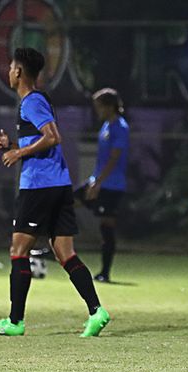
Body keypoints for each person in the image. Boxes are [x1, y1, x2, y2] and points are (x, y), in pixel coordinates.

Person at [0, 47, 110, 337]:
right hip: (58, 184)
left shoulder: (31, 102)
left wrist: (18, 152)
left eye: (12, 67)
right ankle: (96, 311)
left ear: (18, 72)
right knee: (65, 253)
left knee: (18, 250)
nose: (9, 72)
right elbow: (42, 141)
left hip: (39, 187)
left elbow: (53, 137)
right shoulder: (36, 101)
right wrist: (13, 145)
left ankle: (15, 322)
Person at [75, 88, 129, 283]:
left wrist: (98, 182)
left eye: (99, 106)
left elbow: (114, 158)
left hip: (111, 186)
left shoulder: (120, 127)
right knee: (67, 203)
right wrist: (94, 180)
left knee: (107, 226)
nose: (96, 110)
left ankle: (105, 272)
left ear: (109, 106)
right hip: (97, 182)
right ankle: (57, 247)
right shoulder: (106, 125)